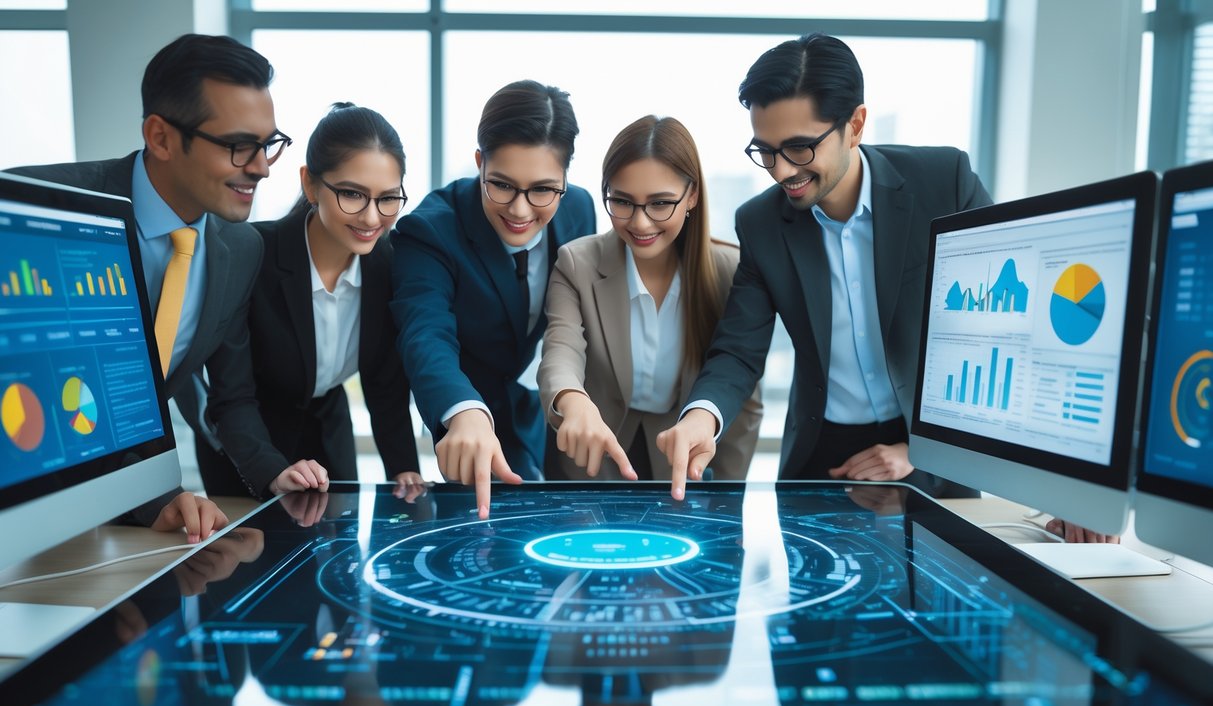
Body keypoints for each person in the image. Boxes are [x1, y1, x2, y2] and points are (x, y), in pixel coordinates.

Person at [656, 33, 989, 504]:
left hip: (932, 453)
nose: (781, 171)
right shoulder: (761, 222)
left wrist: (921, 448)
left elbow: (995, 327)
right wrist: (701, 417)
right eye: (766, 151)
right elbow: (739, 350)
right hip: (819, 458)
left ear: (855, 125)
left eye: (799, 148)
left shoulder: (944, 183)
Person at [8, 33, 288, 541]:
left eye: (268, 144)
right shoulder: (33, 207)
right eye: (238, 146)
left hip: (109, 523)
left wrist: (274, 474)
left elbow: (229, 397)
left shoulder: (241, 248)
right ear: (160, 137)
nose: (261, 167)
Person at [391, 80, 596, 519]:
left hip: (546, 402)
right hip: (466, 408)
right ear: (480, 162)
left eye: (543, 189)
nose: (521, 211)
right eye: (501, 185)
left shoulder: (578, 209)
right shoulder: (431, 229)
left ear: (565, 177)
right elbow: (425, 333)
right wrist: (462, 412)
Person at [200, 103, 421, 500]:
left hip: (328, 432)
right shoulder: (251, 254)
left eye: (387, 198)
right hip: (247, 443)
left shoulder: (389, 266)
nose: (372, 218)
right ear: (310, 184)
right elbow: (231, 395)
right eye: (352, 194)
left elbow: (386, 384)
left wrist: (404, 468)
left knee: (341, 558)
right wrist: (271, 470)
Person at [539, 115, 761, 481]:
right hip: (592, 457)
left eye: (660, 204)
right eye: (622, 202)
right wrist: (573, 402)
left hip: (684, 460)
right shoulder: (576, 263)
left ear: (691, 196)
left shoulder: (731, 272)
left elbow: (744, 394)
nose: (640, 224)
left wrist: (725, 493)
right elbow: (560, 353)